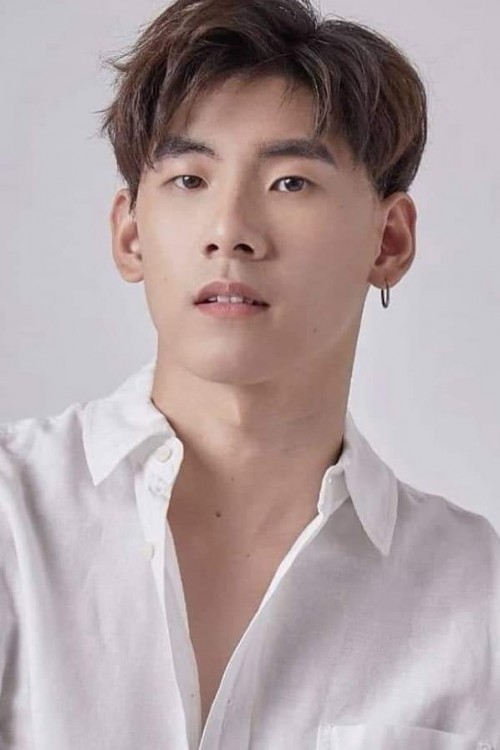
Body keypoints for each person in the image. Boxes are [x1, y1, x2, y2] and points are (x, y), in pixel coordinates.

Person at [1, 0, 499, 747]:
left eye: (290, 182)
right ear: (130, 234)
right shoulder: (14, 522)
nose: (230, 231)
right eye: (188, 179)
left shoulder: (476, 595)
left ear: (389, 241)